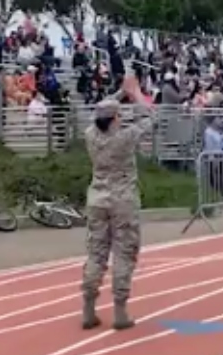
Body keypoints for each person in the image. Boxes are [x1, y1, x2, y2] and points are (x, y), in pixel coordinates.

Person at [81, 75, 154, 331]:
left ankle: (88, 308)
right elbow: (149, 119)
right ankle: (120, 310)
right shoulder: (125, 137)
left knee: (96, 252)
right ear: (115, 119)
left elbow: (102, 109)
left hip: (97, 197)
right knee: (124, 252)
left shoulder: (90, 135)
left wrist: (119, 93)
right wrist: (134, 93)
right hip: (123, 198)